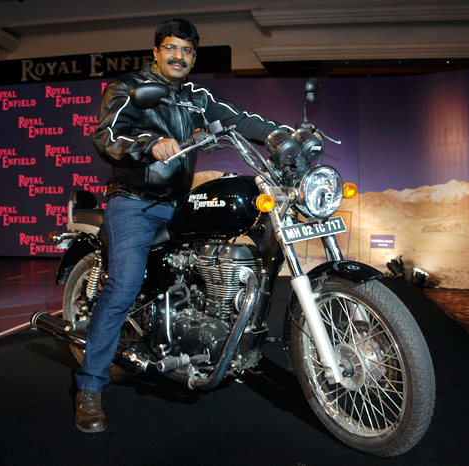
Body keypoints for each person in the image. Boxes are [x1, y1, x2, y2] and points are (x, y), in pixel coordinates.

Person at [75, 18, 284, 433]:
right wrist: (149, 144)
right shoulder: (128, 88)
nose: (178, 56)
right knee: (124, 286)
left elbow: (240, 119)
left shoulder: (196, 97)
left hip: (177, 202)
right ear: (156, 52)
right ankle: (90, 387)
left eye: (187, 50)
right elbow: (106, 137)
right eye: (171, 48)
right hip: (133, 201)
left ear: (193, 57)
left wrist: (282, 136)